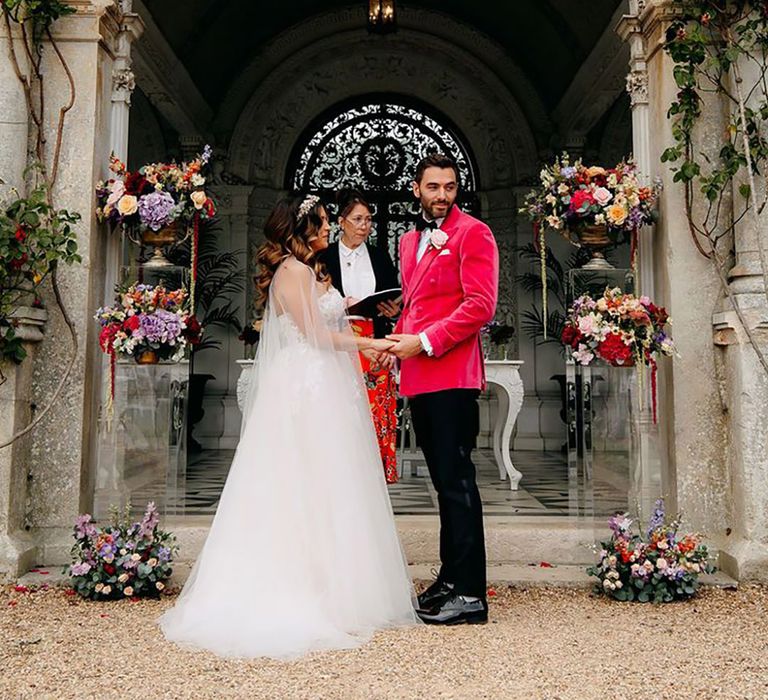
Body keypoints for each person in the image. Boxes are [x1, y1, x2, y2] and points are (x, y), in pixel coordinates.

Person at [160, 194, 418, 658]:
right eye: (320, 224)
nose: (326, 231)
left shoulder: (308, 271)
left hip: (319, 381)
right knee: (307, 481)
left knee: (321, 483)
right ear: (300, 231)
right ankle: (308, 589)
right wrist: (371, 343)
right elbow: (316, 336)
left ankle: (330, 583)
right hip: (308, 385)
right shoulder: (295, 272)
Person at [387, 153, 499, 625]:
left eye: (449, 187)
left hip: (452, 373)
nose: (441, 196)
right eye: (433, 187)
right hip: (417, 376)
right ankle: (450, 579)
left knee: (457, 482)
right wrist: (394, 342)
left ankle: (471, 594)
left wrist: (425, 341)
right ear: (417, 189)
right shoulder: (409, 240)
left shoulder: (474, 233)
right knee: (441, 483)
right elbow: (415, 306)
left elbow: (481, 305)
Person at [321, 190, 400, 483]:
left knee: (375, 408)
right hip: (338, 341)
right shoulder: (324, 256)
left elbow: (392, 294)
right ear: (341, 222)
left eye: (368, 219)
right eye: (357, 219)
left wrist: (392, 311)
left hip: (375, 338)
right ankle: (340, 476)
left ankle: (375, 476)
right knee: (341, 408)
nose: (364, 225)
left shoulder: (379, 255)